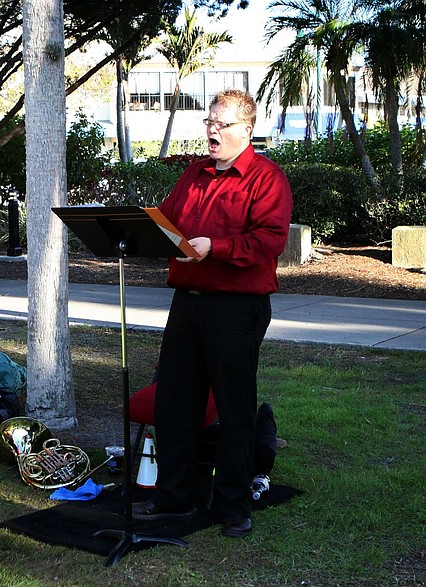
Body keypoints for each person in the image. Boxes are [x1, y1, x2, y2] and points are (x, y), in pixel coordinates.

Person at [131, 89, 292, 538]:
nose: (212, 131)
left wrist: (214, 248)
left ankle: (233, 504)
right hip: (188, 304)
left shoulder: (267, 179)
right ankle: (174, 497)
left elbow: (269, 242)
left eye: (222, 124)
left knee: (235, 407)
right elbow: (166, 220)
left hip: (237, 308)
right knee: (174, 402)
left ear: (247, 128)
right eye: (209, 122)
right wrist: (135, 229)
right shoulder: (194, 174)